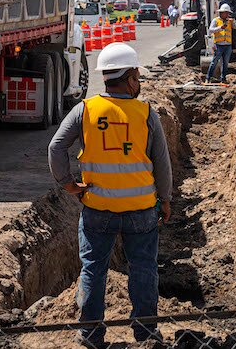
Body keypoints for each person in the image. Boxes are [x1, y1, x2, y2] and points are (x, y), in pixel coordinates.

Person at [48, 43, 173, 348]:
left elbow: (56, 147)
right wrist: (166, 199)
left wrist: (68, 184)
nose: (138, 82)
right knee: (143, 268)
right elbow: (162, 162)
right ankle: (146, 334)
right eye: (137, 77)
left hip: (98, 208)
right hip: (141, 210)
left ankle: (91, 335)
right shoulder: (145, 113)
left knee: (94, 268)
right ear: (129, 78)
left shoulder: (85, 110)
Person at [206, 3, 236, 83]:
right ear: (221, 13)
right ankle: (208, 78)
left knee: (225, 63)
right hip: (219, 45)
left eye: (228, 13)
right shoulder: (216, 20)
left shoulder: (229, 21)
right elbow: (211, 30)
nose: (227, 14)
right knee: (214, 62)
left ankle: (223, 79)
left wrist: (234, 21)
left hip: (228, 45)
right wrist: (220, 27)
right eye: (225, 13)